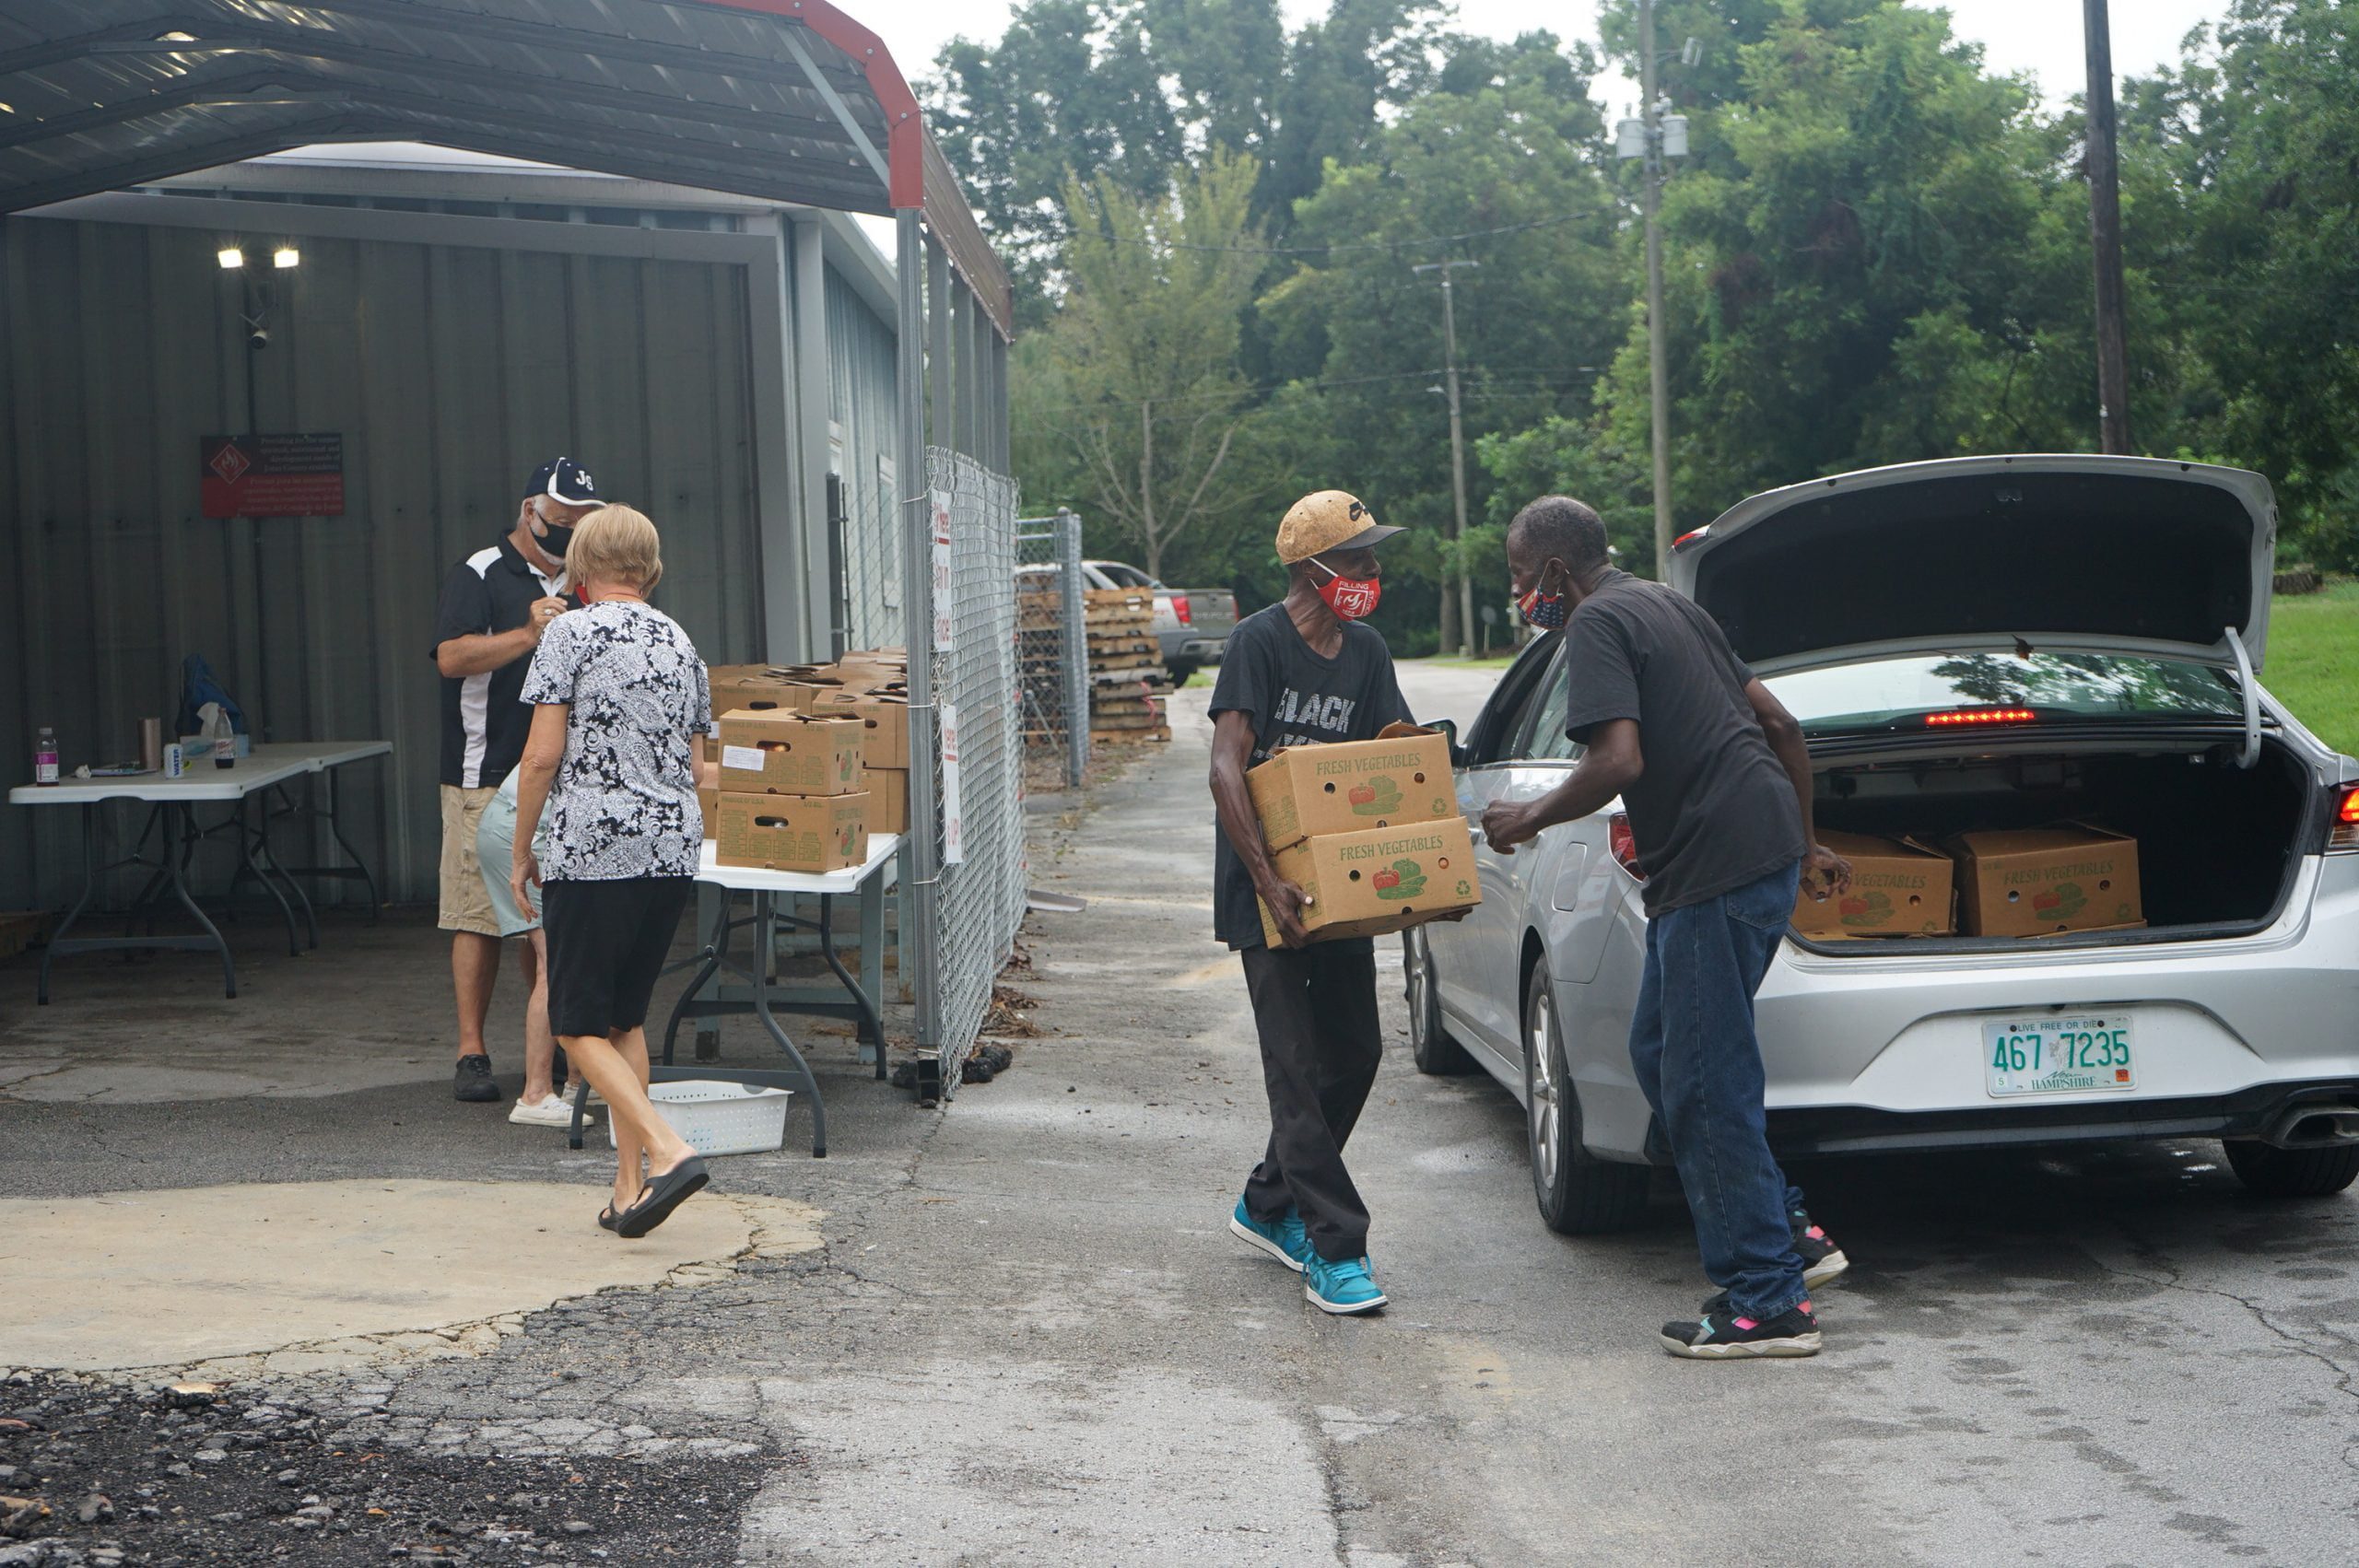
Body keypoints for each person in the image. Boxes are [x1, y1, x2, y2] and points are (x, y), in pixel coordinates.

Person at [1480, 496, 1853, 1360]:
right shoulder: (1666, 603)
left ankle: (1768, 1299)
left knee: (1702, 1080)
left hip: (1715, 867)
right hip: (1757, 848)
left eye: (1520, 574)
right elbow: (1780, 725)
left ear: (1556, 571)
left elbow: (1618, 760)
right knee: (1661, 1051)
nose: (1520, 591)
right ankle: (1787, 1230)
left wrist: (1527, 816)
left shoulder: (1596, 624)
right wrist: (1801, 845)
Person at [1208, 489, 1411, 1316]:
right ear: (1314, 568)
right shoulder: (1257, 643)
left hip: (1338, 884)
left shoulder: (1367, 653)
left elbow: (1391, 756)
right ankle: (1335, 1246)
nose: (1373, 569)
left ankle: (1266, 1202)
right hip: (1266, 890)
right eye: (1359, 557)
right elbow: (1226, 766)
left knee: (1354, 1053)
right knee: (1295, 1070)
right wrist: (1267, 881)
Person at [510, 504, 712, 1238]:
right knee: (625, 1020)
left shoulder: (569, 633)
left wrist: (522, 848)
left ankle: (668, 1148)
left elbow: (541, 755)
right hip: (671, 848)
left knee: (575, 1025)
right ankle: (629, 1187)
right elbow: (697, 768)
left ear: (582, 567)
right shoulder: (680, 640)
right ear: (649, 569)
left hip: (594, 850)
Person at [431, 456, 603, 1104]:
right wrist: (528, 634)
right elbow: (451, 658)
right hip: (486, 770)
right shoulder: (480, 572)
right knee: (477, 916)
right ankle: (471, 1051)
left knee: (544, 915)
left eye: (582, 520)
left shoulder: (589, 577)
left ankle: (554, 1045)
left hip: (563, 774)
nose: (571, 530)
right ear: (530, 511)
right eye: (562, 518)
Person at [474, 768, 569, 1127]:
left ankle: (578, 1084)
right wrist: (521, 853)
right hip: (528, 829)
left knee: (570, 958)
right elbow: (538, 765)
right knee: (556, 963)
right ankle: (536, 1094)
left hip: (541, 827)